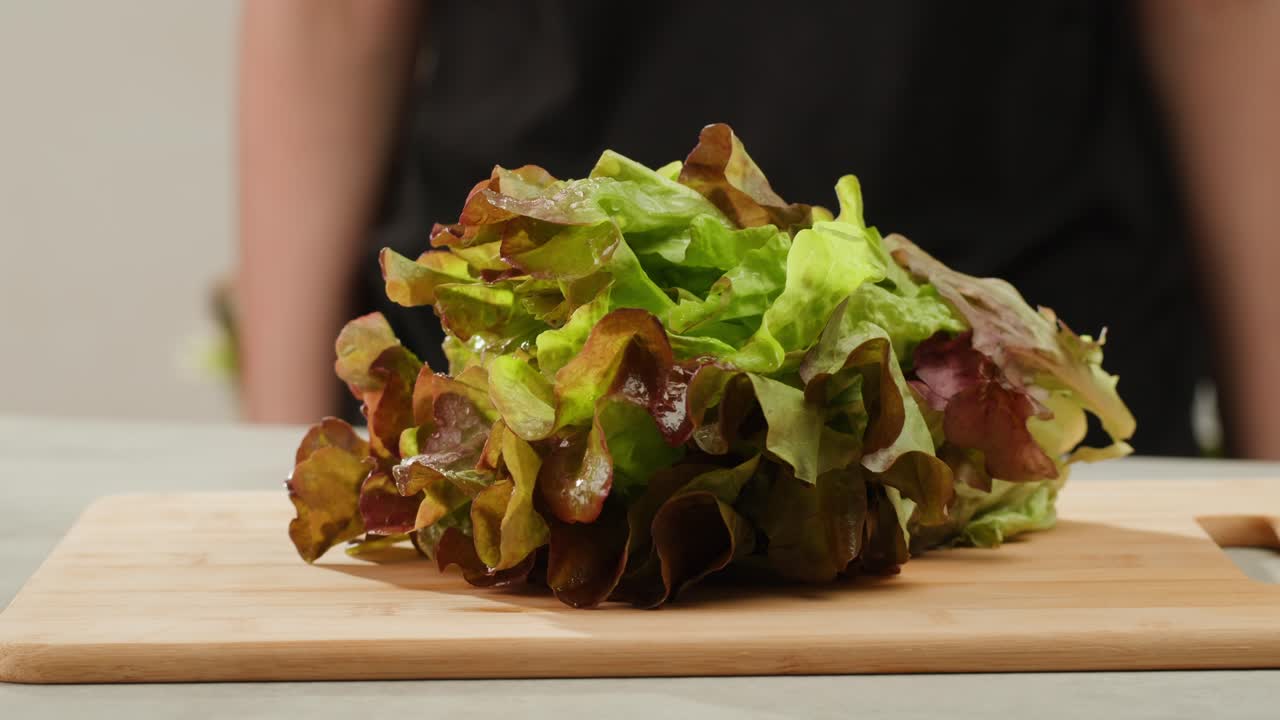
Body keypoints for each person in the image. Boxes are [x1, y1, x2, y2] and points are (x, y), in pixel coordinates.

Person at [238, 1, 1280, 459]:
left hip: (1005, 403)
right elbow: (331, 15)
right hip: (514, 397)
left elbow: (1221, 16)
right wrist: (272, 464)